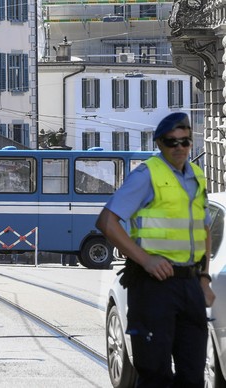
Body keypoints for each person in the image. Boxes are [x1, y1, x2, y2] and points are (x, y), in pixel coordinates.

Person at [96, 112, 215, 387]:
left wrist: (205, 278)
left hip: (190, 286)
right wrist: (145, 260)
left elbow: (204, 229)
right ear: (160, 144)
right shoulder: (146, 174)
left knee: (193, 377)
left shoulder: (197, 176)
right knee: (155, 376)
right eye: (171, 142)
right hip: (153, 287)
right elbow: (107, 222)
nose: (179, 148)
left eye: (185, 142)